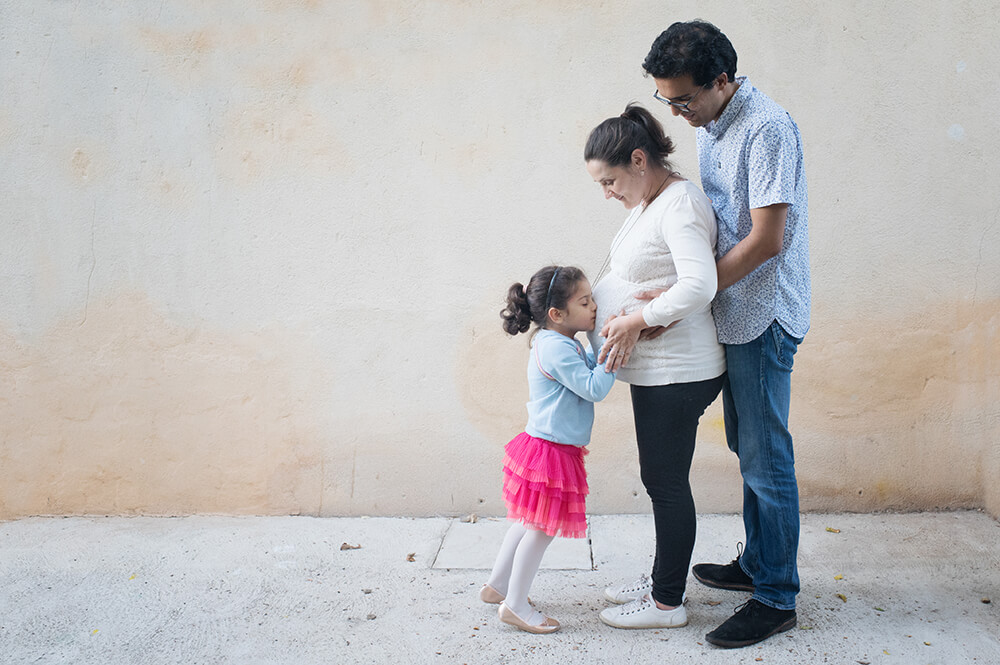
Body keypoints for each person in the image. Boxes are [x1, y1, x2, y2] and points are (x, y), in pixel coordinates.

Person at [642, 19, 811, 649]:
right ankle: (759, 566)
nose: (679, 113)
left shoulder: (766, 128)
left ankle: (776, 597)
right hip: (733, 310)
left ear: (722, 80)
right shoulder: (714, 124)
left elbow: (769, 239)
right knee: (749, 446)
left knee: (767, 459)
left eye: (685, 99)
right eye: (668, 101)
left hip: (763, 314)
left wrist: (692, 292)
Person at [583, 104, 726, 630]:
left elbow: (699, 283)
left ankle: (667, 603)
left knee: (665, 482)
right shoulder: (653, 201)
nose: (608, 194)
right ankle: (664, 577)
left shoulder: (680, 204)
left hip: (679, 370)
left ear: (639, 159)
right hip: (659, 370)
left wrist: (638, 319)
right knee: (660, 478)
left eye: (610, 180)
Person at [481, 265, 616, 634]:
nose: (593, 308)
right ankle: (516, 604)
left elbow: (584, 369)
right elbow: (595, 388)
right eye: (586, 302)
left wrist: (593, 342)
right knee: (540, 530)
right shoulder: (556, 349)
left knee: (526, 522)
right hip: (552, 453)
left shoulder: (557, 341)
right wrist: (612, 347)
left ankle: (498, 585)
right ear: (557, 314)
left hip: (544, 446)